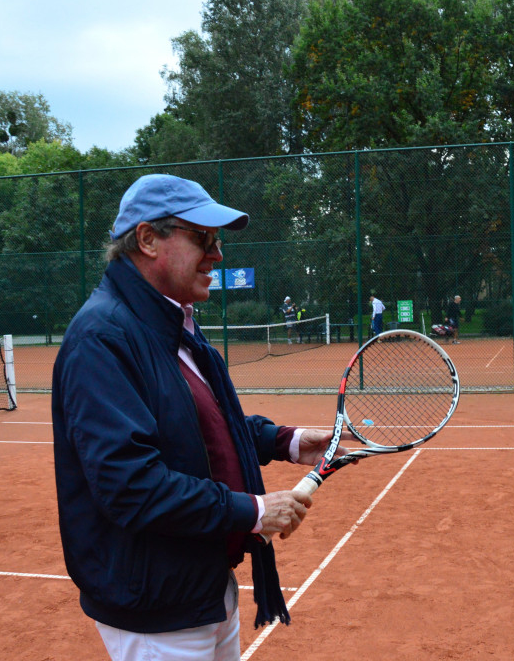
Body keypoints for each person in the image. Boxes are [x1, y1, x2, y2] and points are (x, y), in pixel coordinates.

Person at [52, 174, 348, 661]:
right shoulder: (103, 336)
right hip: (155, 605)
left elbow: (203, 426)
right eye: (203, 238)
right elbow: (129, 484)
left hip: (202, 582)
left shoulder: (173, 322)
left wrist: (286, 442)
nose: (217, 254)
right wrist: (253, 512)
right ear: (147, 239)